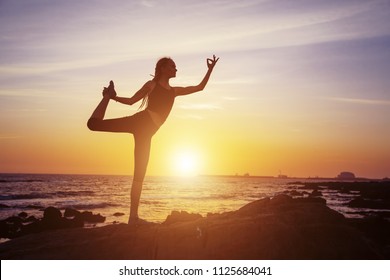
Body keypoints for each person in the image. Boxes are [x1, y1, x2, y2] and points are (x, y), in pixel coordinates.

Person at [87, 55, 219, 225]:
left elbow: (199, 87)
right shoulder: (152, 85)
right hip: (139, 121)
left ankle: (133, 218)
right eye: (172, 66)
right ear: (163, 68)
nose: (175, 69)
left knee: (139, 174)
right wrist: (112, 97)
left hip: (147, 133)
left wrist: (210, 70)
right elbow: (131, 101)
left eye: (175, 67)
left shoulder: (174, 91)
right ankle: (105, 97)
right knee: (94, 125)